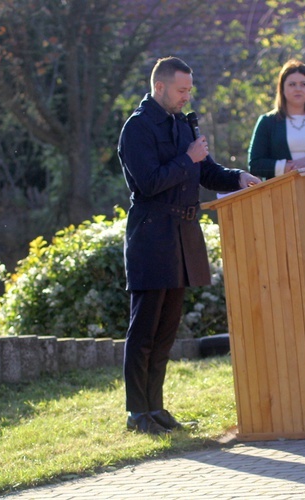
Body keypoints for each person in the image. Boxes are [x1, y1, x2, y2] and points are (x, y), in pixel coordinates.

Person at [118, 56, 261, 435]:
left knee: (167, 329)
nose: (187, 97)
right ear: (160, 87)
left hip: (182, 234)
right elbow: (148, 182)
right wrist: (188, 158)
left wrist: (237, 177)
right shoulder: (137, 128)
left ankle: (157, 408)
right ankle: (137, 413)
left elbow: (205, 170)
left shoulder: (182, 124)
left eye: (189, 90)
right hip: (151, 235)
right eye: (182, 90)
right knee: (145, 328)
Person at [248, 59, 305, 179]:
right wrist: (284, 167)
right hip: (282, 191)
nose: (298, 89)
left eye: (303, 84)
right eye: (292, 84)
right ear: (282, 88)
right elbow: (255, 164)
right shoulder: (267, 122)